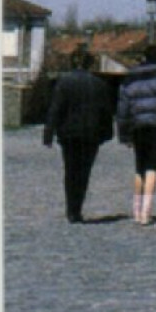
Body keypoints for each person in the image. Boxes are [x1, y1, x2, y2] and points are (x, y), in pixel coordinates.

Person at [43, 48, 115, 223]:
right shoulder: (99, 84)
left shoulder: (64, 82)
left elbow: (56, 109)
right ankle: (78, 207)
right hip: (91, 135)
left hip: (69, 134)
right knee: (84, 172)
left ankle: (71, 209)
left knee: (70, 171)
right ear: (90, 64)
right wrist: (107, 133)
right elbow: (106, 111)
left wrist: (49, 132)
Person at [116, 44, 156, 225]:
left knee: (139, 167)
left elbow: (122, 107)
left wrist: (124, 133)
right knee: (152, 167)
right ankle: (146, 211)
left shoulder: (130, 77)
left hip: (137, 126)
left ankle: (135, 209)